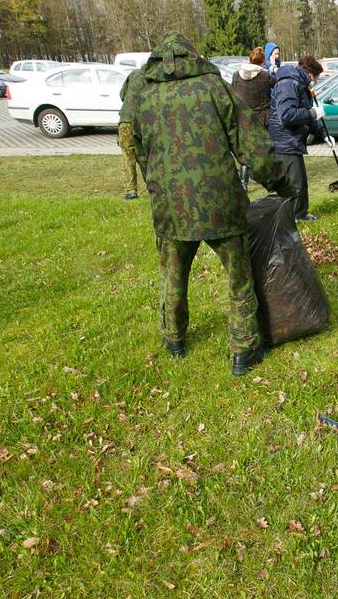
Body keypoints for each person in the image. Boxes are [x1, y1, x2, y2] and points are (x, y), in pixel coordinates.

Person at [119, 32, 295, 374]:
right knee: (238, 276)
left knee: (172, 274)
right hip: (221, 205)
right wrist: (282, 184)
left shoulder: (144, 95)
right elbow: (253, 146)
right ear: (192, 54)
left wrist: (158, 187)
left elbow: (139, 152)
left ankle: (174, 340)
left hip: (171, 207)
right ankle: (244, 352)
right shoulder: (214, 88)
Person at [268, 55, 334, 222]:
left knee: (300, 182)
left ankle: (300, 214)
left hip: (292, 140)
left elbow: (305, 116)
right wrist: (312, 112)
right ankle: (293, 217)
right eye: (317, 77)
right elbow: (287, 116)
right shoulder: (288, 84)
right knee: (294, 184)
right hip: (284, 140)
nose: (317, 81)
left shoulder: (299, 84)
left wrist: (324, 134)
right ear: (310, 73)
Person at [231, 46, 275, 190]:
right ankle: (266, 178)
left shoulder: (236, 75)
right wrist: (274, 66)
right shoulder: (265, 76)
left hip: (243, 118)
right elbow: (277, 85)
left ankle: (244, 182)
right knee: (263, 149)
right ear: (262, 63)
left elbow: (232, 93)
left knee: (246, 150)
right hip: (261, 118)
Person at [117, 68, 145, 199]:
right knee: (145, 157)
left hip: (125, 121)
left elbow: (122, 94)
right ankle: (153, 187)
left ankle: (131, 191)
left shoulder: (134, 74)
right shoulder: (154, 78)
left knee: (128, 157)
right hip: (142, 121)